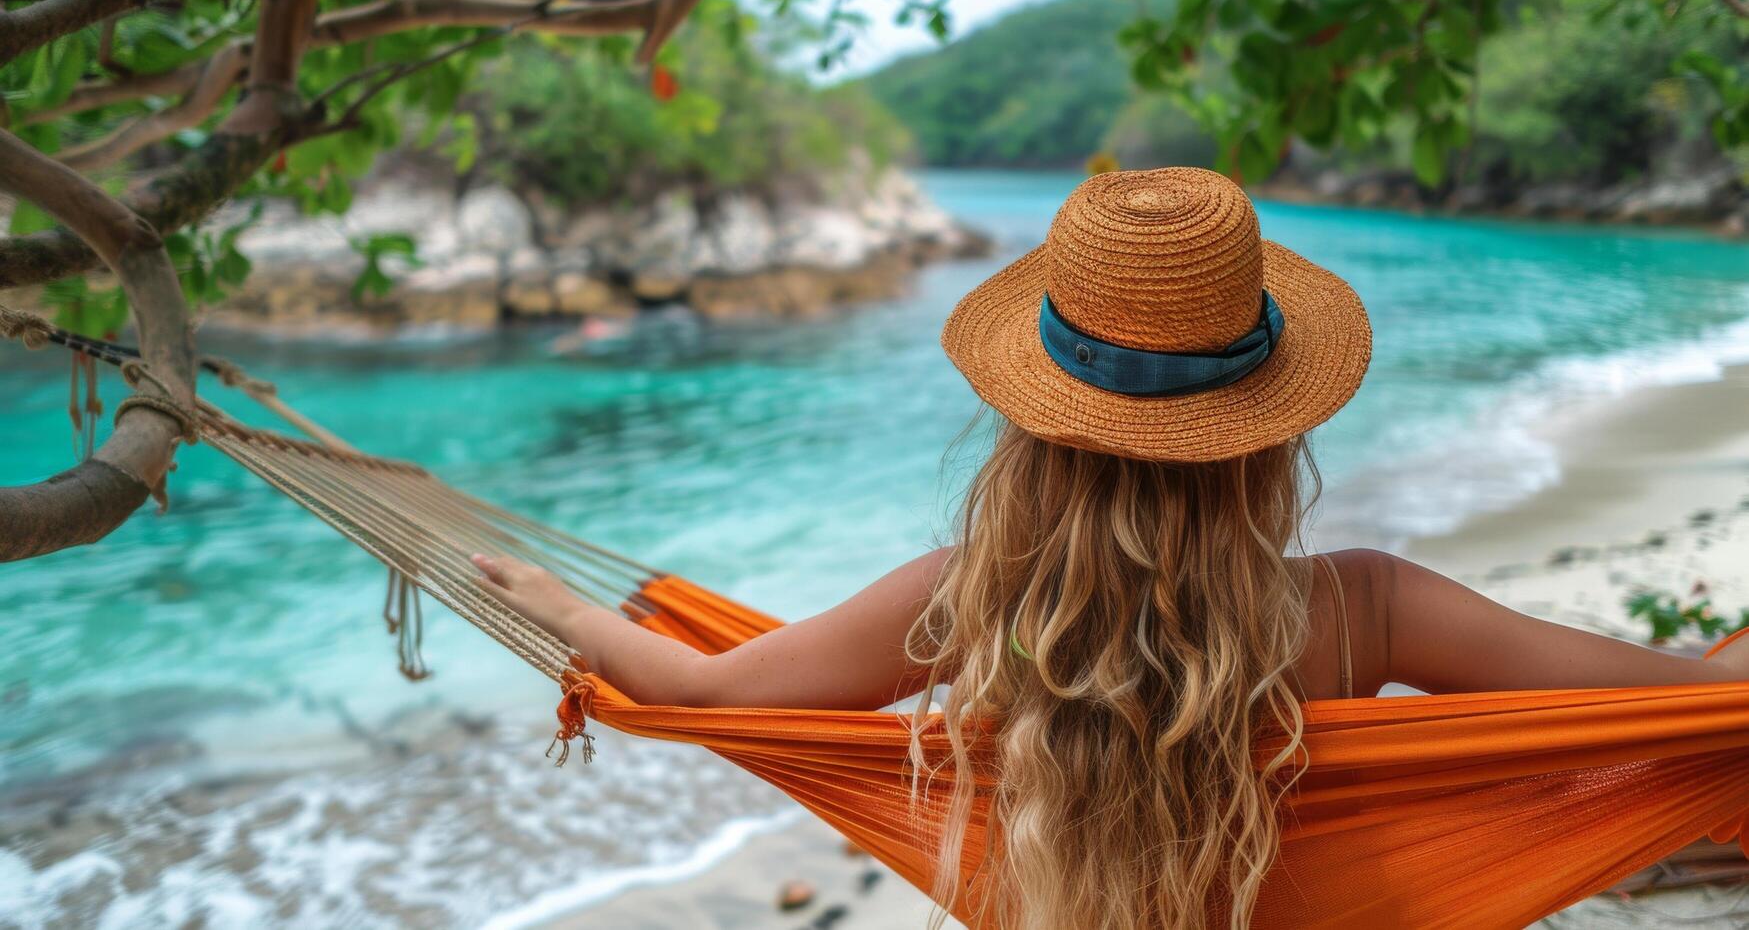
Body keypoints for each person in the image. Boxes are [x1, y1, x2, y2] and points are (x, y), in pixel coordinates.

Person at [471, 167, 1749, 928]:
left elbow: (704, 687)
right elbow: (1687, 701)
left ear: (1035, 424)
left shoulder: (966, 598)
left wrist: (550, 601)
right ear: (1271, 432)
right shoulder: (1372, 610)